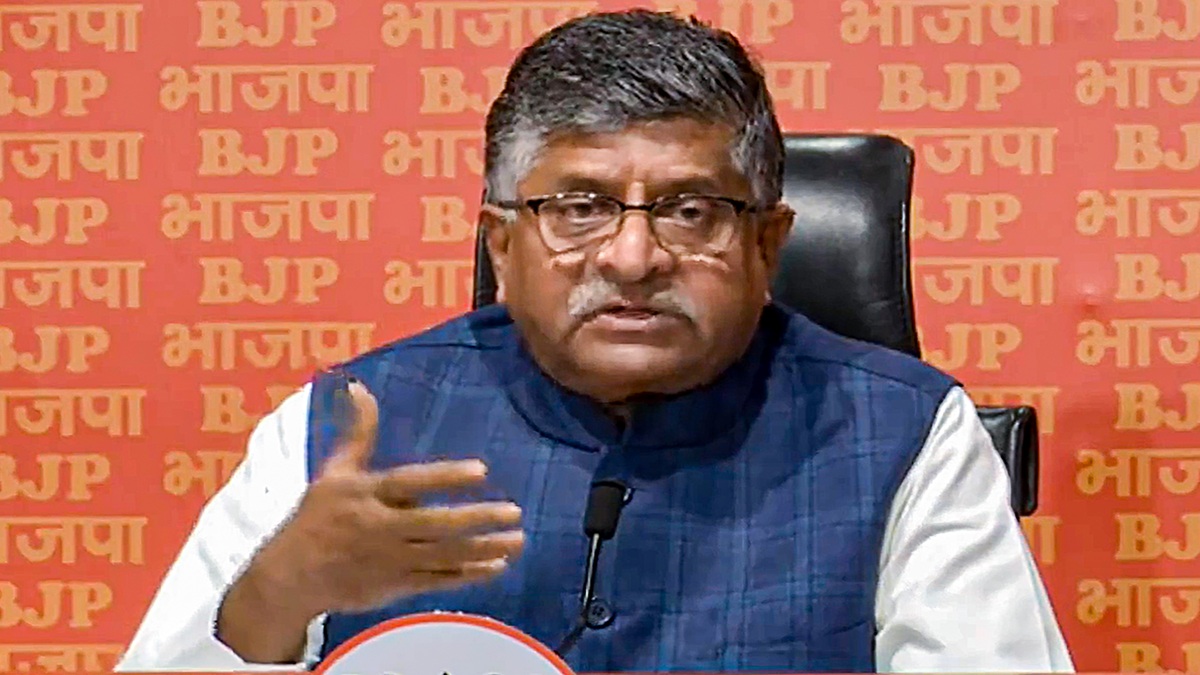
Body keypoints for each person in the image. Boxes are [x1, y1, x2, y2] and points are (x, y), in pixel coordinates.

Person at [117, 9, 1073, 673]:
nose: (631, 256)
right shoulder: (347, 424)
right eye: (579, 206)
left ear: (768, 244)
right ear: (502, 243)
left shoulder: (903, 433)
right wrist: (276, 598)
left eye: (691, 210)